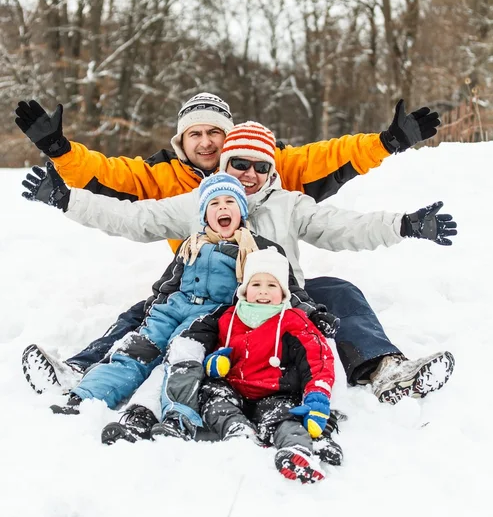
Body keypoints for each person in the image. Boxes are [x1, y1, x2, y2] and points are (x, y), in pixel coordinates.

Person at [21, 121, 457, 441]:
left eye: (259, 166)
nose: (248, 174)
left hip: (283, 300)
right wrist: (67, 199)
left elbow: (344, 225)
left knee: (339, 291)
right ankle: (78, 370)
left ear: (271, 171)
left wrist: (406, 224)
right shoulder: (201, 202)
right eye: (239, 164)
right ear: (225, 165)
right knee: (148, 310)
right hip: (214, 307)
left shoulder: (289, 204)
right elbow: (134, 217)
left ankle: (387, 371)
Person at [48, 173, 330, 430]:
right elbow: (168, 284)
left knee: (179, 362)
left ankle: (169, 415)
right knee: (135, 350)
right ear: (205, 213)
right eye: (214, 203)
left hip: (210, 317)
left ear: (241, 211)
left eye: (230, 201)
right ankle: (85, 397)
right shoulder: (191, 244)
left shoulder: (260, 248)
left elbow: (287, 289)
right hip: (172, 311)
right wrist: (155, 309)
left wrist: (313, 314)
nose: (222, 208)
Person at [191, 248, 337, 484]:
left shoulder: (293, 321)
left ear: (283, 292)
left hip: (274, 393)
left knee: (285, 418)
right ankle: (238, 432)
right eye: (256, 284)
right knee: (213, 399)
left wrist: (317, 397)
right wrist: (216, 361)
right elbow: (217, 347)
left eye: (272, 285)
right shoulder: (229, 318)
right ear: (245, 289)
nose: (263, 292)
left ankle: (296, 451)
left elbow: (318, 360)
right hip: (234, 389)